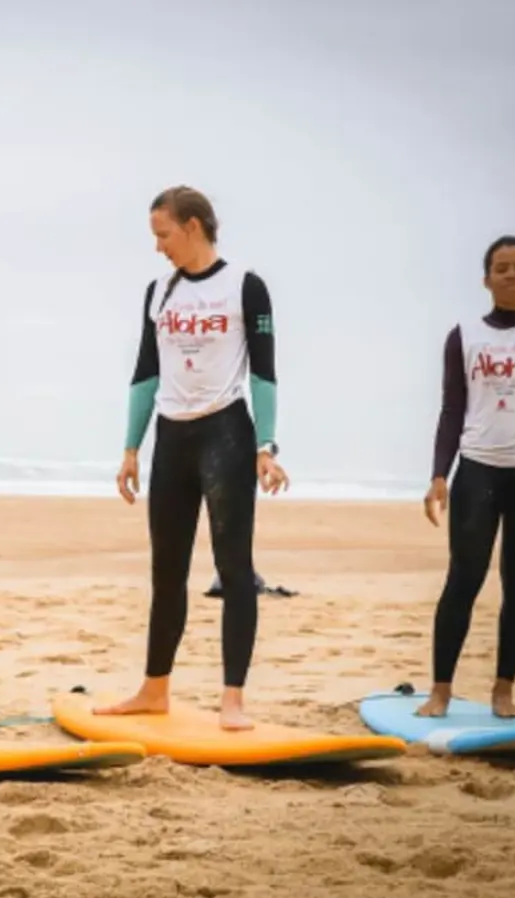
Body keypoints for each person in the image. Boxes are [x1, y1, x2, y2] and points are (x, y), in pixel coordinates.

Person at [104, 185, 289, 731]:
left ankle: (232, 699)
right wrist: (131, 448)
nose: (158, 246)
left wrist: (266, 446)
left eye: (163, 234)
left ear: (193, 226)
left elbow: (264, 370)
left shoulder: (244, 287)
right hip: (172, 438)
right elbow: (145, 372)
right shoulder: (158, 292)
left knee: (235, 570)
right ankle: (153, 689)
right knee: (167, 573)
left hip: (226, 433)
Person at [417, 235, 515, 719]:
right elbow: (453, 408)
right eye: (501, 268)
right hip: (477, 470)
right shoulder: (465, 335)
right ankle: (441, 689)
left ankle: (503, 689)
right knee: (465, 578)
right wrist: (438, 474)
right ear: (487, 279)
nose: (511, 274)